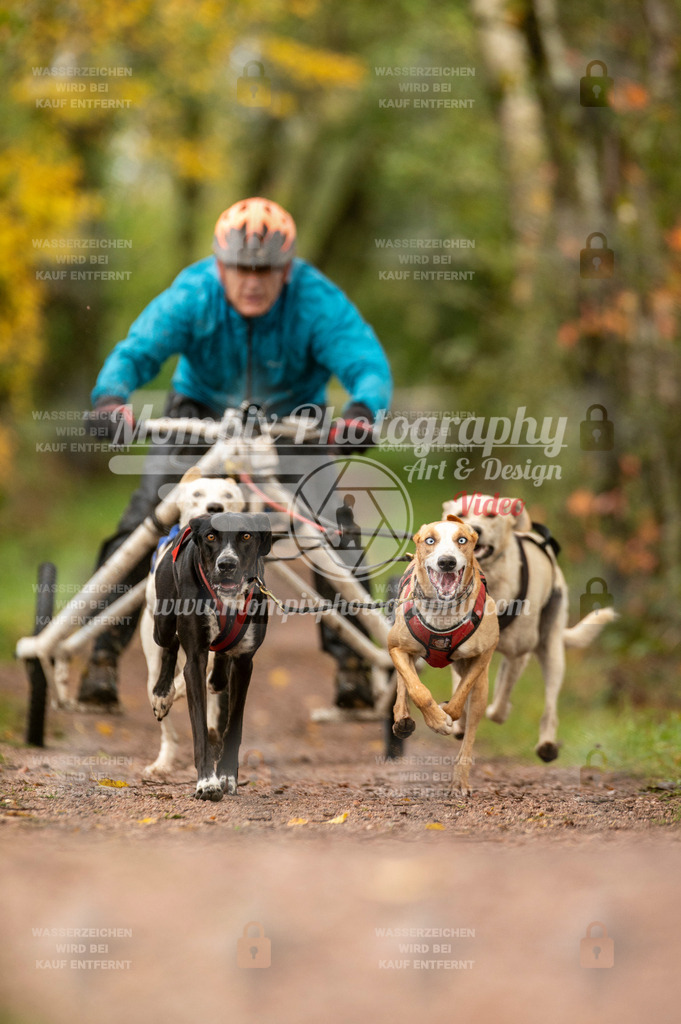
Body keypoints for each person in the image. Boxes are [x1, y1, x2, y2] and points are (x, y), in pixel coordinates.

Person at [79, 197, 392, 710]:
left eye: (265, 270)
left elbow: (365, 360)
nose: (252, 280)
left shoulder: (316, 299)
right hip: (196, 415)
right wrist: (112, 398)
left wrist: (361, 408)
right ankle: (102, 655)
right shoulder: (194, 292)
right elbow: (137, 351)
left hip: (293, 421)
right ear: (220, 265)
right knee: (146, 520)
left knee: (334, 526)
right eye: (240, 268)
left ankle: (353, 664)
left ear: (286, 269)